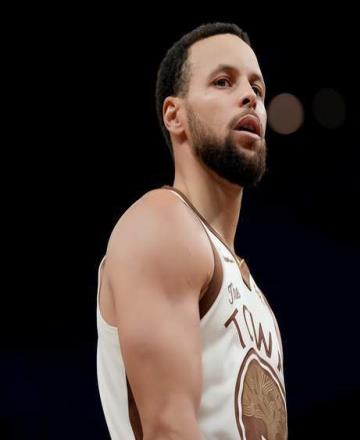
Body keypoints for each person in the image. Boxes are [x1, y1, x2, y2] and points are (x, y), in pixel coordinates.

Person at [96, 23, 287, 439]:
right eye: (223, 82)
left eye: (257, 88)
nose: (250, 97)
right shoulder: (162, 222)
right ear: (175, 115)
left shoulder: (254, 294)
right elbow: (169, 428)